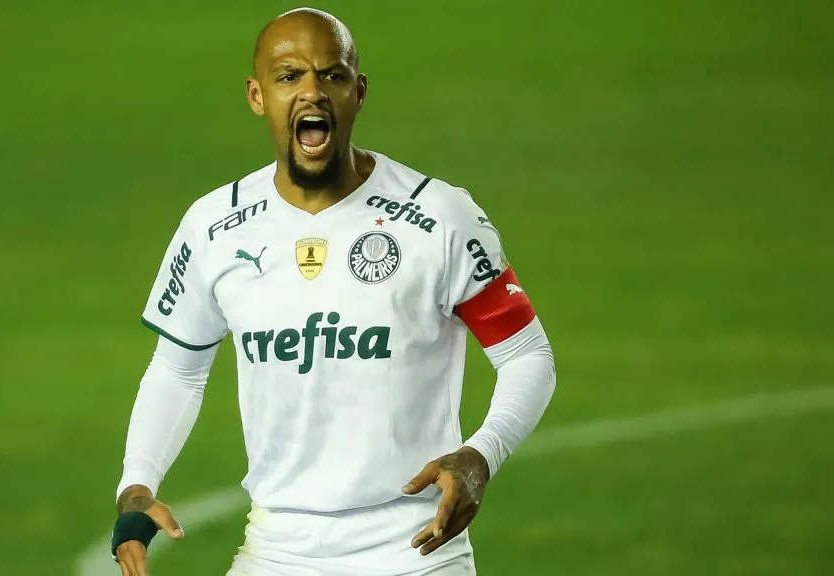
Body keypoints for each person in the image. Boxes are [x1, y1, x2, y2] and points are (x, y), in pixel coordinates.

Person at [110, 7, 556, 576]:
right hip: (276, 548)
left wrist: (480, 455)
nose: (312, 93)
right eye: (289, 76)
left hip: (415, 550)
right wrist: (135, 486)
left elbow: (527, 355)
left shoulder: (439, 218)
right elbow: (178, 369)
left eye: (332, 75)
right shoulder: (214, 227)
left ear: (359, 92)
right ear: (257, 95)